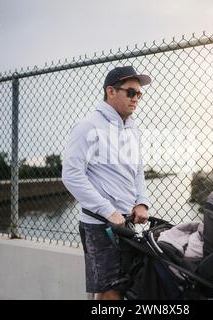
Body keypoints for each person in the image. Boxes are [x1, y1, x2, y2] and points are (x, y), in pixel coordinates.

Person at [62, 66, 152, 300]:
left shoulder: (132, 129)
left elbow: (137, 170)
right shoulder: (89, 126)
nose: (136, 99)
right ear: (110, 91)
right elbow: (72, 174)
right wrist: (108, 211)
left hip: (125, 221)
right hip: (100, 224)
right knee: (111, 290)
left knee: (122, 286)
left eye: (139, 94)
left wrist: (141, 202)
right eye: (130, 92)